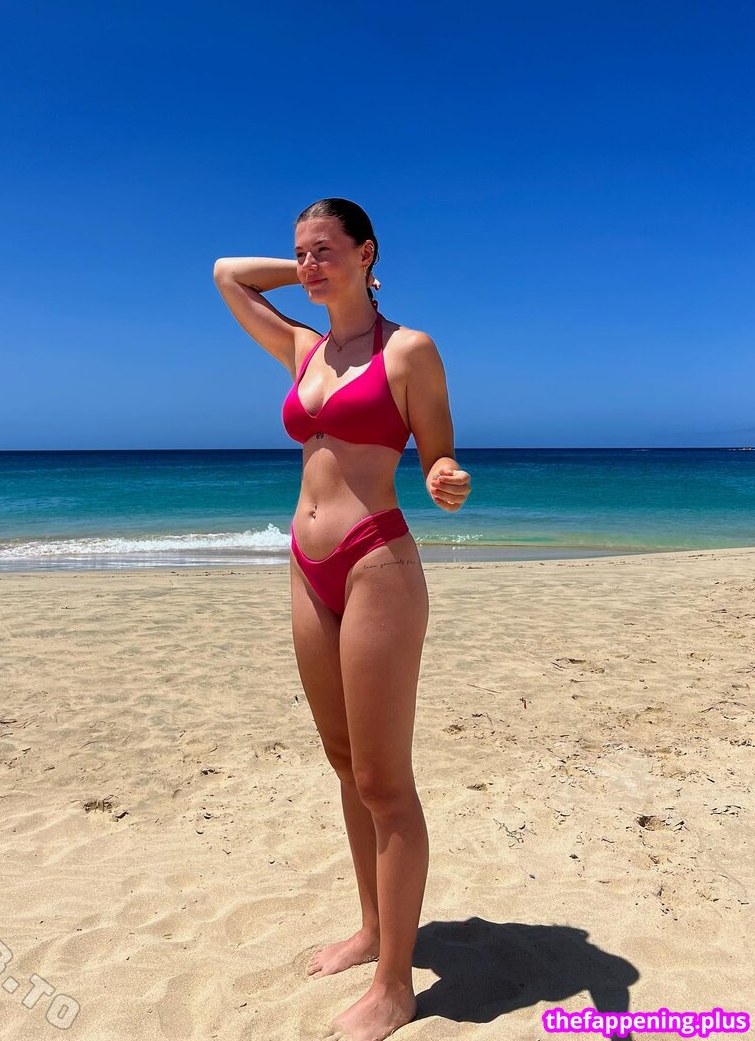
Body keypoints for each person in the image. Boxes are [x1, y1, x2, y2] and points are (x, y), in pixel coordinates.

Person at [213, 198, 470, 1041]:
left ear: (369, 253)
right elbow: (227, 276)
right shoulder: (304, 347)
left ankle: (395, 986)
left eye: (325, 250)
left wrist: (444, 477)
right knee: (343, 763)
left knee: (384, 781)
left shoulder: (409, 350)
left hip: (375, 562)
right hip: (304, 562)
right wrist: (311, 278)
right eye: (300, 253)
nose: (307, 264)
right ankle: (370, 929)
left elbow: (437, 448)